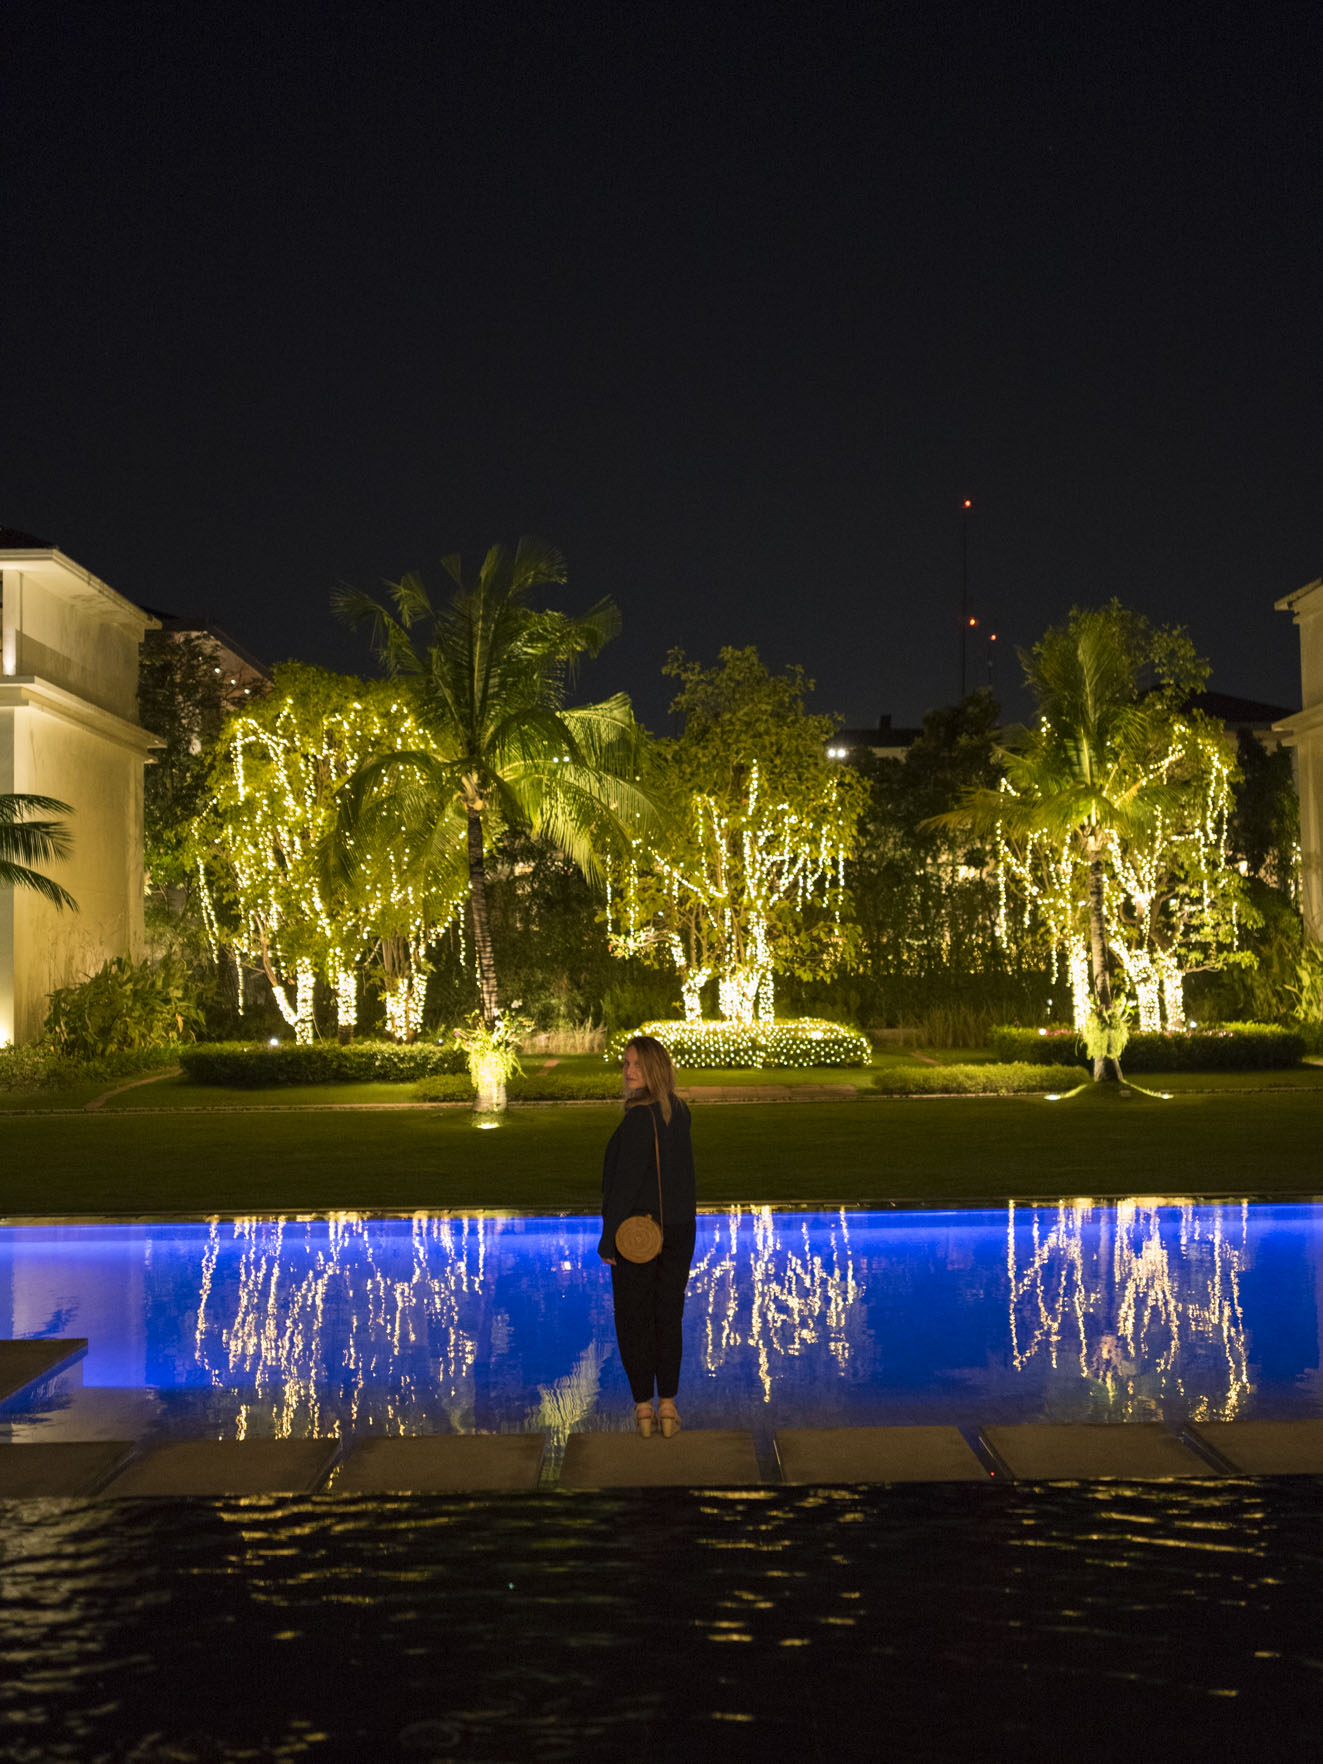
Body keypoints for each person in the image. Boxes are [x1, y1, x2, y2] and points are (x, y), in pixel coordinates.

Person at [598, 1034, 697, 1437]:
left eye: (637, 1064)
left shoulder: (639, 1119)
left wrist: (608, 1240)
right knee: (667, 1317)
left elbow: (625, 1184)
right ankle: (669, 1407)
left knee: (635, 1320)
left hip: (639, 1235)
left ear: (655, 1068)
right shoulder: (680, 1110)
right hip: (679, 1229)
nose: (629, 1071)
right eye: (626, 1063)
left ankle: (644, 1409)